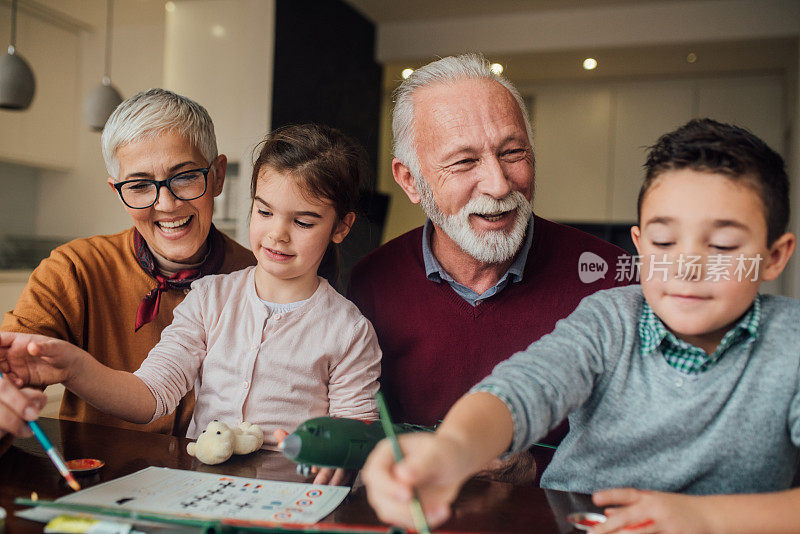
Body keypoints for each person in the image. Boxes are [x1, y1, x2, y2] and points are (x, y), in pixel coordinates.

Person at [362, 118, 800, 533]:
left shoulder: (791, 345)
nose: (686, 267)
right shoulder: (610, 318)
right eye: (664, 242)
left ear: (775, 256)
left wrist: (702, 519)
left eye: (722, 245)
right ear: (640, 245)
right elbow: (522, 389)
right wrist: (453, 450)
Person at [0, 124, 382, 485]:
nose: (277, 234)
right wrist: (74, 366)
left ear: (341, 227)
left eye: (303, 222)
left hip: (291, 496)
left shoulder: (349, 330)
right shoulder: (209, 297)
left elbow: (358, 426)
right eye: (264, 212)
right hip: (202, 488)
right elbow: (150, 395)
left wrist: (344, 452)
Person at [346, 54, 628, 466]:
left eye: (513, 152)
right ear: (410, 180)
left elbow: (640, 450)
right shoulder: (372, 281)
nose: (498, 185)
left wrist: (532, 471)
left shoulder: (611, 279)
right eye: (464, 161)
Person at [0, 89, 255, 440]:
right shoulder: (72, 271)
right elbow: (14, 366)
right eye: (138, 185)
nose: (166, 204)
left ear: (218, 176)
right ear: (117, 191)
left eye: (184, 176)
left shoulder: (262, 278)